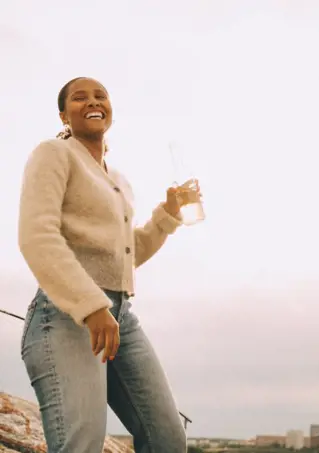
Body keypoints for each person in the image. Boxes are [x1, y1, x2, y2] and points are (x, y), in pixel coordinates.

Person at [18, 77, 197, 453]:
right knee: (81, 443)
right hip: (64, 316)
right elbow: (37, 236)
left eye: (100, 95)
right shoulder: (53, 153)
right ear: (63, 114)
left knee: (167, 438)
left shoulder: (117, 180)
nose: (92, 101)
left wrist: (169, 213)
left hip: (119, 317)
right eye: (79, 97)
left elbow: (124, 256)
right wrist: (93, 306)